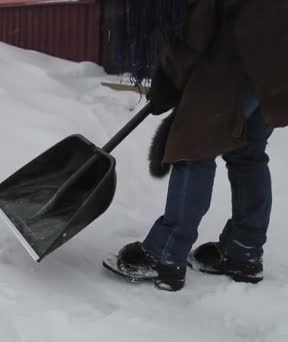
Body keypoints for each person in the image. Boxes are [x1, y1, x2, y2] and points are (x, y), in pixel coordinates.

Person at [106, 0, 288, 291]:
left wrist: (170, 77)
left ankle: (164, 256)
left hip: (237, 56)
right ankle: (243, 250)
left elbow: (197, 25)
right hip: (276, 60)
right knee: (248, 155)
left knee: (193, 150)